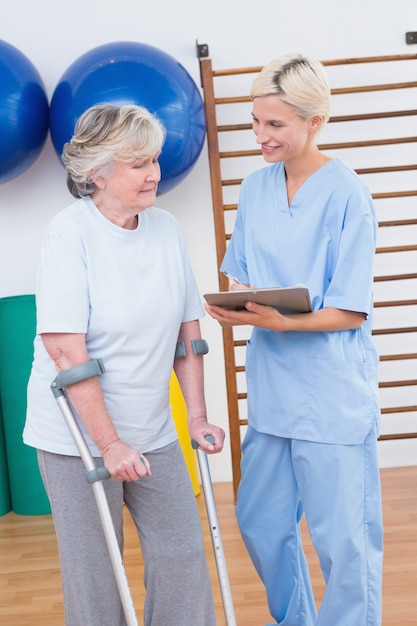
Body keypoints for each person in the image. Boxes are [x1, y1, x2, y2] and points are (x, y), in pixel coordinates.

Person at [24, 103, 225, 626]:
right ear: (99, 172)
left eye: (154, 159)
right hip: (79, 440)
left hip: (153, 427)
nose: (154, 173)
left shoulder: (165, 229)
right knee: (98, 572)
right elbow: (66, 350)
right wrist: (110, 445)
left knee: (181, 554)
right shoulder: (70, 235)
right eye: (138, 163)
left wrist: (197, 417)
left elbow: (188, 335)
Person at [205, 54, 383, 626]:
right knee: (260, 522)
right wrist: (240, 302)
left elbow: (350, 310)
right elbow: (242, 272)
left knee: (344, 545)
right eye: (256, 123)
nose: (261, 136)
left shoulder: (348, 195)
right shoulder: (255, 189)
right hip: (273, 394)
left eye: (274, 125)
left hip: (330, 395)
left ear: (315, 121)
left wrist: (282, 322)